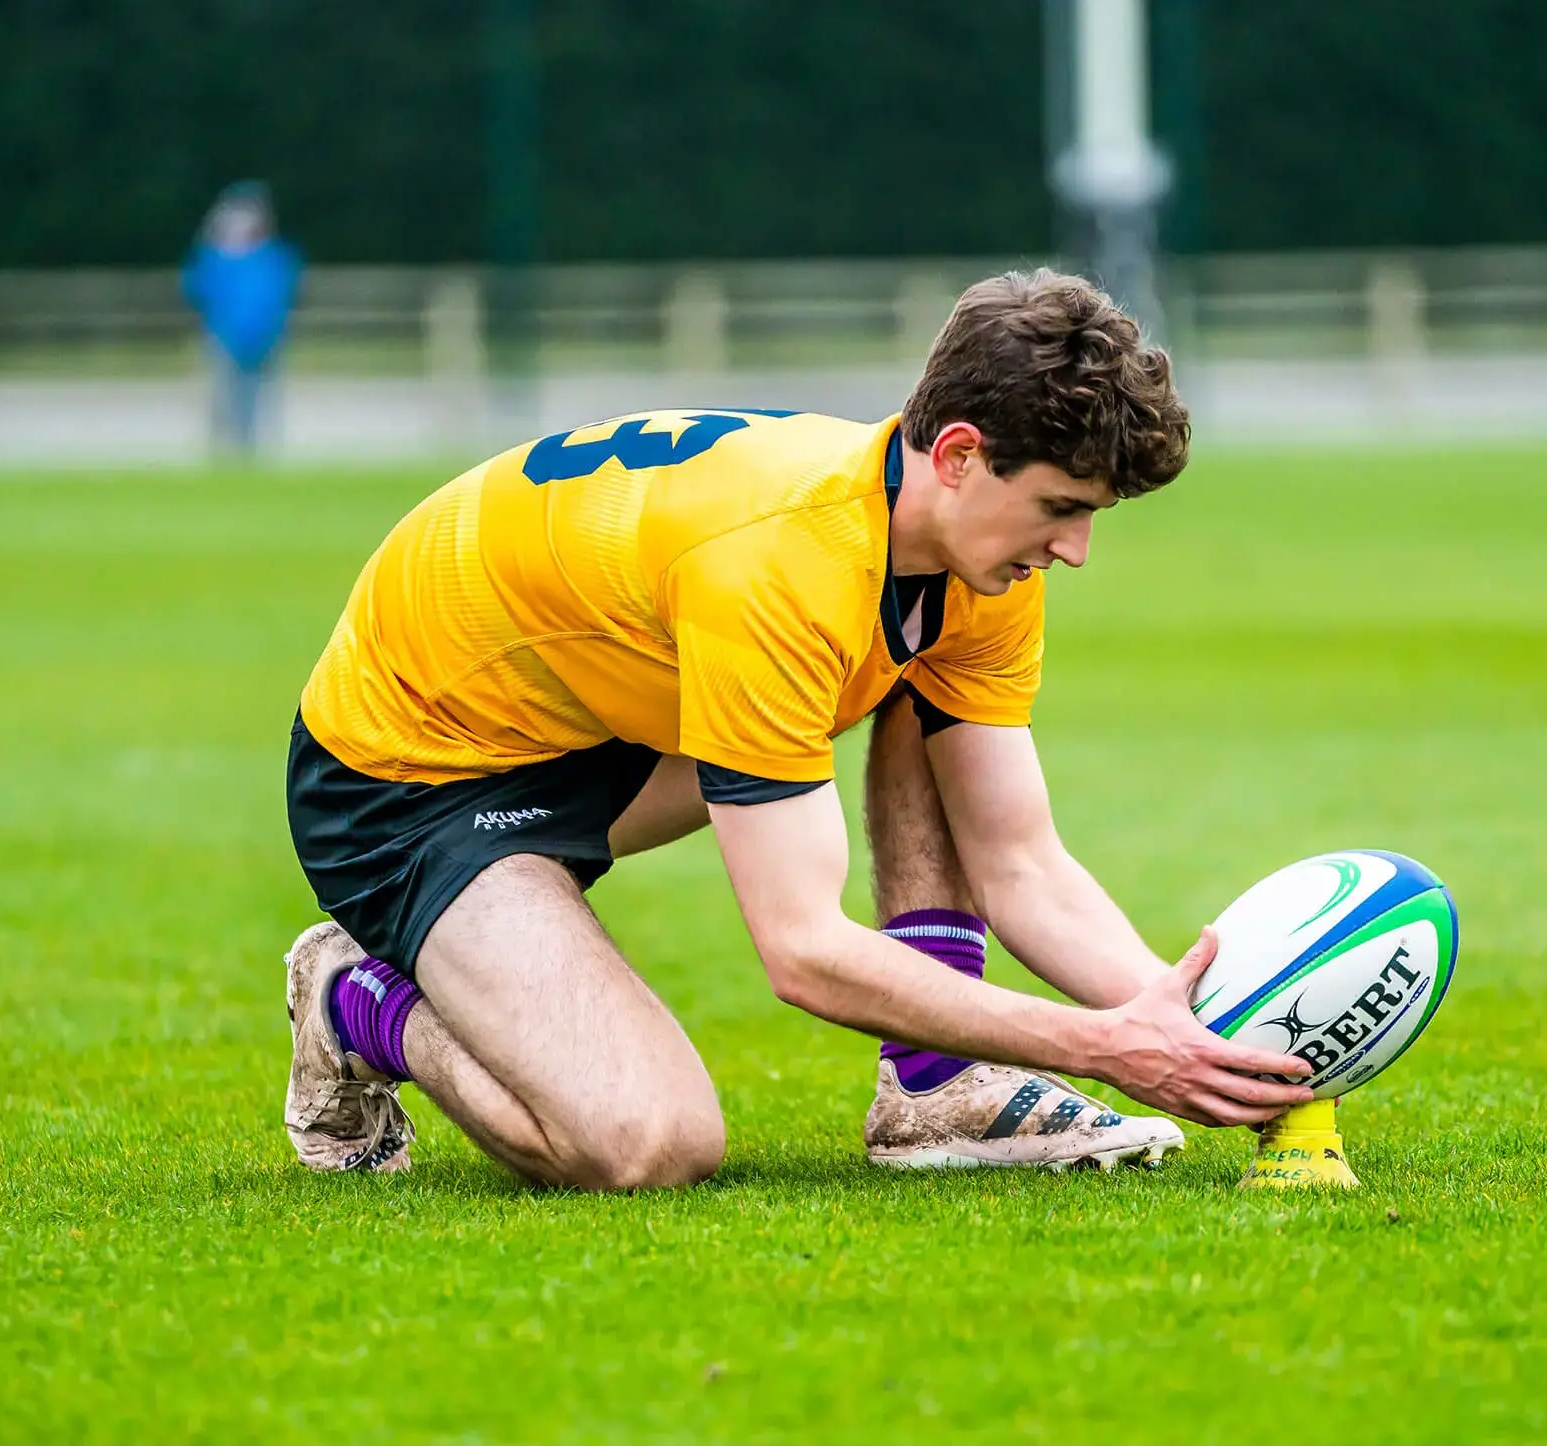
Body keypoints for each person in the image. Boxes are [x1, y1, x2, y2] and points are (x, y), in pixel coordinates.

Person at [281, 269, 1314, 1188]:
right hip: (408, 782)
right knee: (648, 1141)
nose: (1076, 549)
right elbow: (804, 951)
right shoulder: (780, 564)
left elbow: (1021, 864)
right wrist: (1103, 1049)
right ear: (958, 454)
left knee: (917, 663)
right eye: (1059, 507)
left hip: (607, 722)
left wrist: (1201, 1039)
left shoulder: (966, 550)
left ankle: (934, 1089)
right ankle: (355, 1000)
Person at [181, 181, 301, 458]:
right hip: (224, 338)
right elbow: (195, 289)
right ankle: (224, 452)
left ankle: (253, 452)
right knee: (222, 399)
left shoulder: (273, 256)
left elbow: (284, 291)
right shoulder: (215, 258)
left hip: (267, 339)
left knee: (259, 400)